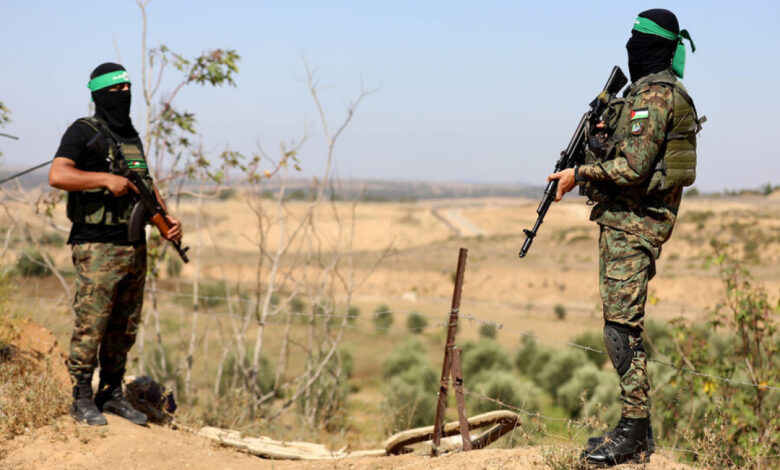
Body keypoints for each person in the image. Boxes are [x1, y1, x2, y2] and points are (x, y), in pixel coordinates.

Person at [547, 9, 700, 467]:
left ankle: (633, 432)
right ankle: (637, 430)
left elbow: (633, 169)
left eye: (637, 39)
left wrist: (579, 173)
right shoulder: (646, 93)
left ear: (651, 46)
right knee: (621, 324)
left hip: (635, 225)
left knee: (620, 328)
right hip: (626, 222)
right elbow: (629, 155)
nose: (631, 46)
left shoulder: (653, 95)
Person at [49, 62, 182, 426]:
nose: (123, 96)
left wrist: (165, 218)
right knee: (92, 323)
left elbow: (145, 184)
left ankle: (111, 392)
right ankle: (80, 396)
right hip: (96, 246)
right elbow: (58, 174)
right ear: (99, 94)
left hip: (133, 245)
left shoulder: (131, 137)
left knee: (124, 325)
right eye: (115, 91)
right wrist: (104, 179)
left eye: (127, 90)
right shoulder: (82, 131)